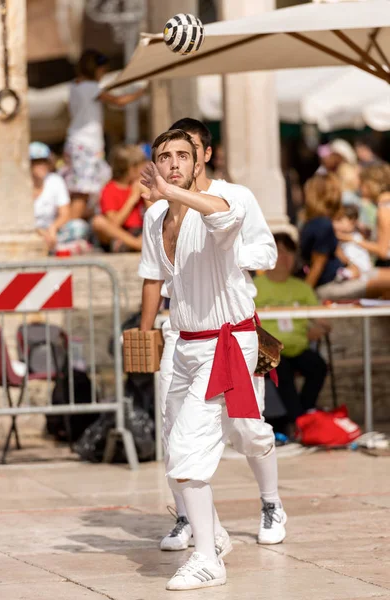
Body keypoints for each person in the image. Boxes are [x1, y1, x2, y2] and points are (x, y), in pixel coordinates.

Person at [139, 128, 278, 591]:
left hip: (228, 343)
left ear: (201, 160)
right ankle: (212, 535)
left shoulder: (226, 199)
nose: (173, 162)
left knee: (234, 436)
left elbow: (222, 217)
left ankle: (209, 556)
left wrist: (176, 192)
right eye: (164, 156)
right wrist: (146, 334)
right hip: (184, 343)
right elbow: (156, 278)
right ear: (154, 163)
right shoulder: (156, 215)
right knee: (174, 441)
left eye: (182, 155)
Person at [254, 232, 328, 435]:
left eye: (289, 253)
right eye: (279, 252)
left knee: (318, 367)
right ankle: (300, 422)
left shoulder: (302, 288)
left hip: (298, 346)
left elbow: (324, 320)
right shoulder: (254, 287)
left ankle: (301, 416)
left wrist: (319, 329)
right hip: (267, 350)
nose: (285, 258)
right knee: (281, 369)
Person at [63, 49, 146, 220]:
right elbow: (119, 101)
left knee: (87, 190)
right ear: (97, 69)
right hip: (87, 144)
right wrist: (141, 92)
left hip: (75, 142)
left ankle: (76, 224)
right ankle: (68, 229)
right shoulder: (92, 88)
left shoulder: (74, 86)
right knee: (83, 192)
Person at [301, 173, 390, 300]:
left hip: (344, 277)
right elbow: (317, 265)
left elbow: (338, 254)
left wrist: (353, 267)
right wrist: (304, 298)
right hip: (330, 285)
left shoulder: (319, 222)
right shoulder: (322, 225)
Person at [30, 142, 90, 253]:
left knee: (79, 227)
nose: (42, 166)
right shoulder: (20, 185)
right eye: (37, 162)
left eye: (45, 162)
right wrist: (39, 231)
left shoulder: (55, 180)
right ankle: (60, 248)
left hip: (52, 231)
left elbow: (65, 214)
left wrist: (52, 228)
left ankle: (54, 247)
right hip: (31, 230)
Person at [92, 145, 146, 252]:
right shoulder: (109, 189)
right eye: (141, 166)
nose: (144, 169)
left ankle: (135, 245)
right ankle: (136, 245)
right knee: (98, 222)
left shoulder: (141, 185)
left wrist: (146, 192)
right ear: (131, 169)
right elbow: (114, 223)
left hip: (139, 232)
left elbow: (156, 213)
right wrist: (132, 199)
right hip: (119, 235)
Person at [338, 164, 390, 268]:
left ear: (370, 185)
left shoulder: (384, 209)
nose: (359, 188)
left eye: (362, 184)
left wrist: (352, 239)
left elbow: (383, 252)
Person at [333, 204, 373, 281]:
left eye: (339, 220)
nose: (335, 224)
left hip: (362, 274)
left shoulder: (356, 237)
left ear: (352, 223)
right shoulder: (348, 237)